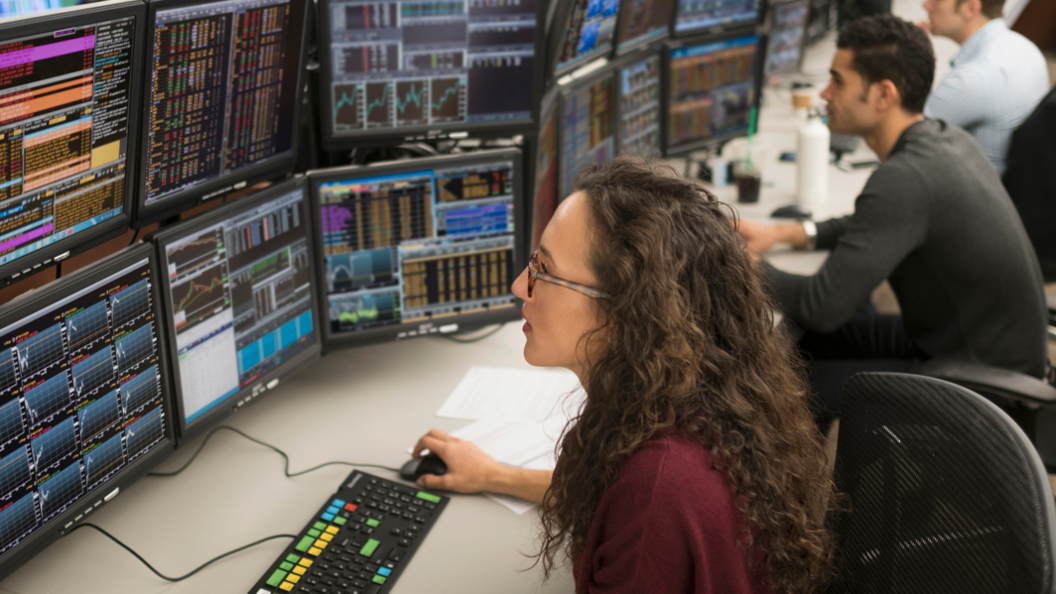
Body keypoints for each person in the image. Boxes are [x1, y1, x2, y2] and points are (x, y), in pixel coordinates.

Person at [412, 157, 836, 593]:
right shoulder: (675, 401)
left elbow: (637, 503)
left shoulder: (657, 487)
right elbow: (602, 497)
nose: (521, 285)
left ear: (626, 310)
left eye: (544, 270)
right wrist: (493, 475)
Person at [737, 15, 1048, 428]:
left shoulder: (905, 178)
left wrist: (744, 266)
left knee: (777, 383)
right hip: (968, 349)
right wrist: (788, 233)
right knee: (809, 345)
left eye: (838, 82)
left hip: (982, 391)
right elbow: (877, 221)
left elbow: (821, 306)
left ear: (884, 95)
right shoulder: (942, 138)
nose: (825, 93)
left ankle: (823, 492)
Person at [920, 0, 1049, 175]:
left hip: (968, 196)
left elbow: (896, 143)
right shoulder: (1027, 49)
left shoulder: (973, 77)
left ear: (971, 7)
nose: (926, 5)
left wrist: (901, 49)